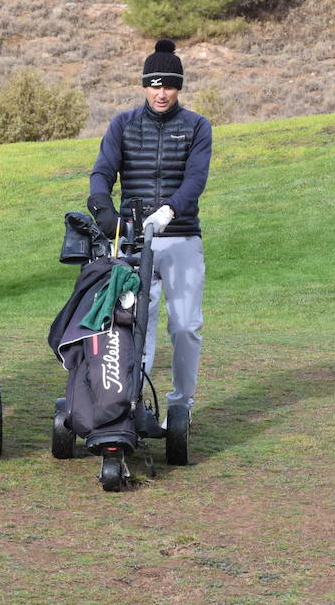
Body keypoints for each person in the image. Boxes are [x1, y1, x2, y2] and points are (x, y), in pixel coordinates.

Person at [87, 38, 212, 418]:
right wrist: (105, 213)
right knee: (136, 322)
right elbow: (102, 173)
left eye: (169, 85)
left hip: (181, 237)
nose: (162, 93)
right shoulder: (123, 124)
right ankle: (130, 401)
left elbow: (195, 180)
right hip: (134, 241)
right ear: (144, 86)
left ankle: (180, 405)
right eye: (155, 85)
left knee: (185, 326)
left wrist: (169, 211)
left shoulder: (197, 126)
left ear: (179, 88)